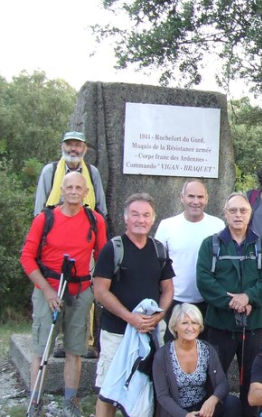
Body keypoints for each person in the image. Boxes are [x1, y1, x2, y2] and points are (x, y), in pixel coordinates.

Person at [20, 172, 107, 416]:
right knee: (42, 348)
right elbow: (26, 257)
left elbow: (102, 257)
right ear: (61, 190)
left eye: (79, 187)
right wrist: (47, 290)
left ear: (86, 192)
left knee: (75, 349)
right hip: (48, 289)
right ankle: (35, 400)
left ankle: (71, 400)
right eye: (69, 187)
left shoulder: (95, 220)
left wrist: (97, 290)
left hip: (80, 291)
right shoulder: (44, 219)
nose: (73, 191)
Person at [196, 192, 262, 416]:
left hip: (253, 326)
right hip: (220, 325)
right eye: (233, 211)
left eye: (243, 210)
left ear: (250, 214)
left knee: (253, 379)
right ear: (225, 214)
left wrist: (248, 297)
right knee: (215, 378)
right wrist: (231, 301)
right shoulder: (210, 245)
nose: (238, 215)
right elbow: (204, 280)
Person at [94, 193, 175, 417]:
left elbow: (168, 289)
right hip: (117, 332)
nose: (141, 220)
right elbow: (100, 290)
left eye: (146, 215)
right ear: (126, 218)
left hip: (149, 332)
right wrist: (129, 317)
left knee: (145, 387)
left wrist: (159, 316)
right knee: (108, 390)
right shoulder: (113, 248)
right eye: (135, 214)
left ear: (153, 219)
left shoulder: (159, 249)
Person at [155, 179, 225, 343]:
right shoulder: (167, 226)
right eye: (191, 196)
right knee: (173, 352)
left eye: (200, 197)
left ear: (207, 199)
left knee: (205, 351)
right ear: (182, 197)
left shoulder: (218, 226)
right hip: (174, 300)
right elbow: (157, 265)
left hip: (208, 301)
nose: (196, 201)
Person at [153, 303, 241, 417]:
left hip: (202, 408)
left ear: (199, 327)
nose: (190, 328)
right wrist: (184, 415)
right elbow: (162, 395)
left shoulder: (207, 350)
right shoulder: (162, 356)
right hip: (176, 412)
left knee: (232, 403)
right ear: (174, 326)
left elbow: (222, 383)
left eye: (194, 323)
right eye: (184, 323)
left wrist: (212, 400)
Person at [34, 131, 106, 216]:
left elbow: (101, 209)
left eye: (77, 145)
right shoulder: (49, 171)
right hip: (55, 225)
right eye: (69, 144)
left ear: (84, 149)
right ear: (62, 147)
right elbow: (39, 210)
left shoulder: (93, 172)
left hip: (85, 226)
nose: (73, 149)